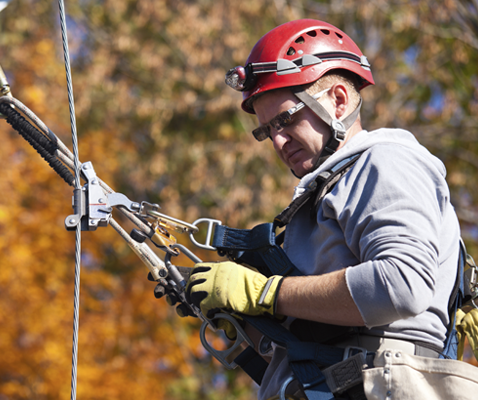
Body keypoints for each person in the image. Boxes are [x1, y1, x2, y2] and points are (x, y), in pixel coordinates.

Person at [180, 19, 466, 399]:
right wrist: (243, 318)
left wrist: (266, 294)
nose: (278, 141)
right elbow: (326, 328)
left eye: (285, 119)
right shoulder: (329, 189)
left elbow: (402, 284)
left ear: (338, 100)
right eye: (267, 131)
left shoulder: (384, 162)